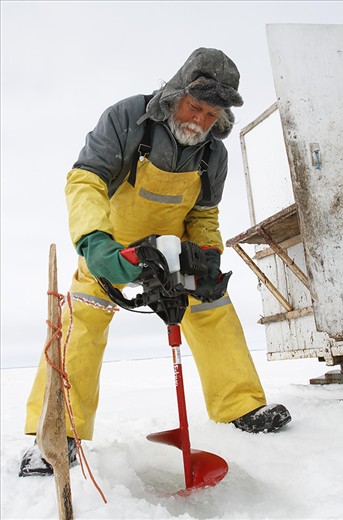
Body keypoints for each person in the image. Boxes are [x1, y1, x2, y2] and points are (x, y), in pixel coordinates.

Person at [19, 47, 291, 477]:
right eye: (195, 107)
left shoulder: (213, 153)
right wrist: (94, 242)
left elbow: (202, 214)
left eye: (211, 114)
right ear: (176, 93)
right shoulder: (128, 118)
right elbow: (86, 179)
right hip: (114, 239)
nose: (200, 121)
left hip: (172, 243)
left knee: (213, 306)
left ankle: (241, 407)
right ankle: (56, 430)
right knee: (83, 317)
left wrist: (208, 257)